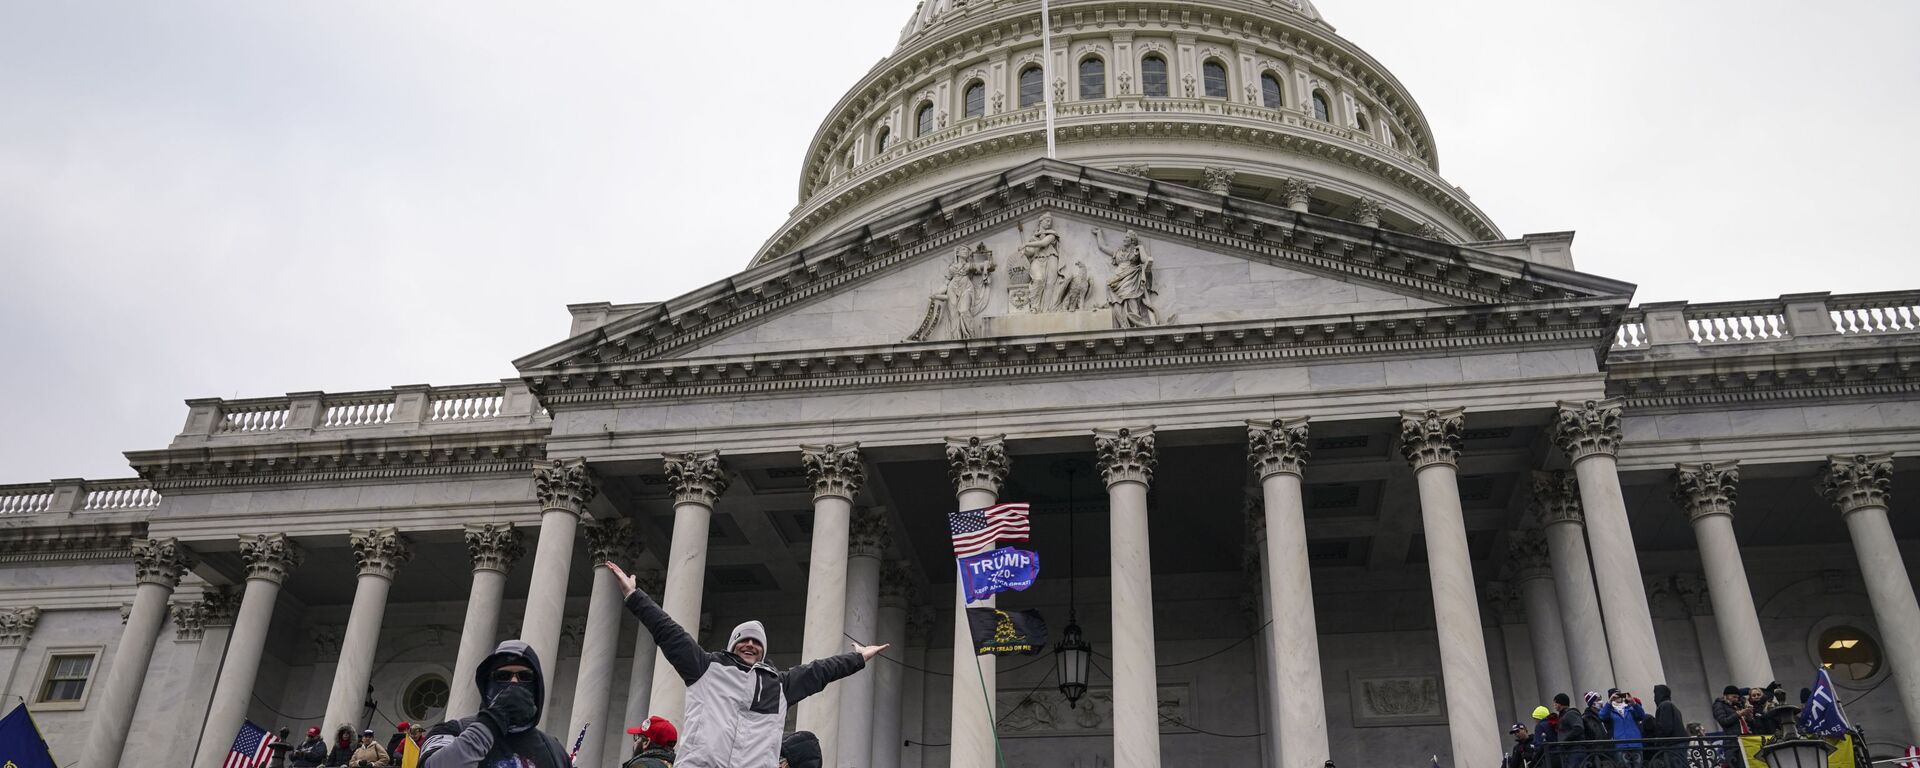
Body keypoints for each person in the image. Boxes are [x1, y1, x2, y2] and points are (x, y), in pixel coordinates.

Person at [609, 562, 884, 768]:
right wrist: (635, 597)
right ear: (732, 645)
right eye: (744, 640)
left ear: (763, 652)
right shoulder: (707, 668)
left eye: (756, 643)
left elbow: (820, 671)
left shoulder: (778, 686)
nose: (750, 645)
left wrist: (858, 658)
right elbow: (669, 634)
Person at [419, 640, 571, 768]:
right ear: (487, 685)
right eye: (503, 676)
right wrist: (493, 720)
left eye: (525, 676)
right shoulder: (451, 731)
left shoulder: (555, 750)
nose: (514, 682)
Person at [1599, 689, 1648, 768]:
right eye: (1616, 695)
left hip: (1635, 744)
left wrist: (1633, 703)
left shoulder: (1630, 708)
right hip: (1620, 746)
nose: (1619, 697)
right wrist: (1609, 702)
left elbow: (1642, 716)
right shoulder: (1609, 710)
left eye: (1620, 694)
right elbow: (1602, 716)